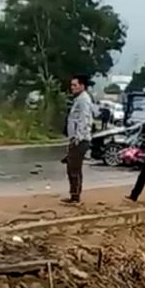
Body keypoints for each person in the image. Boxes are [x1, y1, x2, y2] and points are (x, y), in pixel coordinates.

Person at [63, 74, 93, 204]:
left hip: (80, 139)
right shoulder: (79, 99)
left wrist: (78, 137)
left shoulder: (83, 100)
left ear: (82, 86)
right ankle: (74, 194)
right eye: (71, 85)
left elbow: (84, 119)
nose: (72, 88)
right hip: (76, 139)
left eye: (75, 85)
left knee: (74, 168)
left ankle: (75, 196)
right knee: (73, 167)